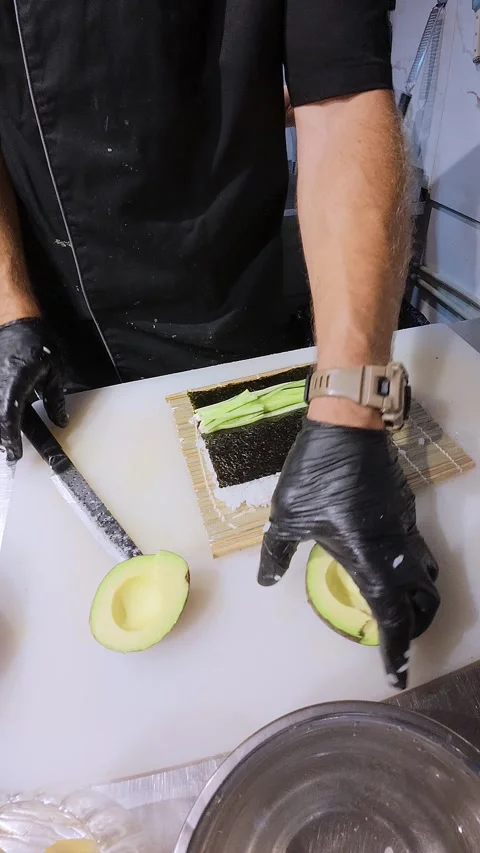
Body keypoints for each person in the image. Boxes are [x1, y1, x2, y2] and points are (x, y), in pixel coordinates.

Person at [0, 0, 439, 687]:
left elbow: (344, 96)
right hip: (51, 322)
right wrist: (8, 308)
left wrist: (352, 403)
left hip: (229, 302)